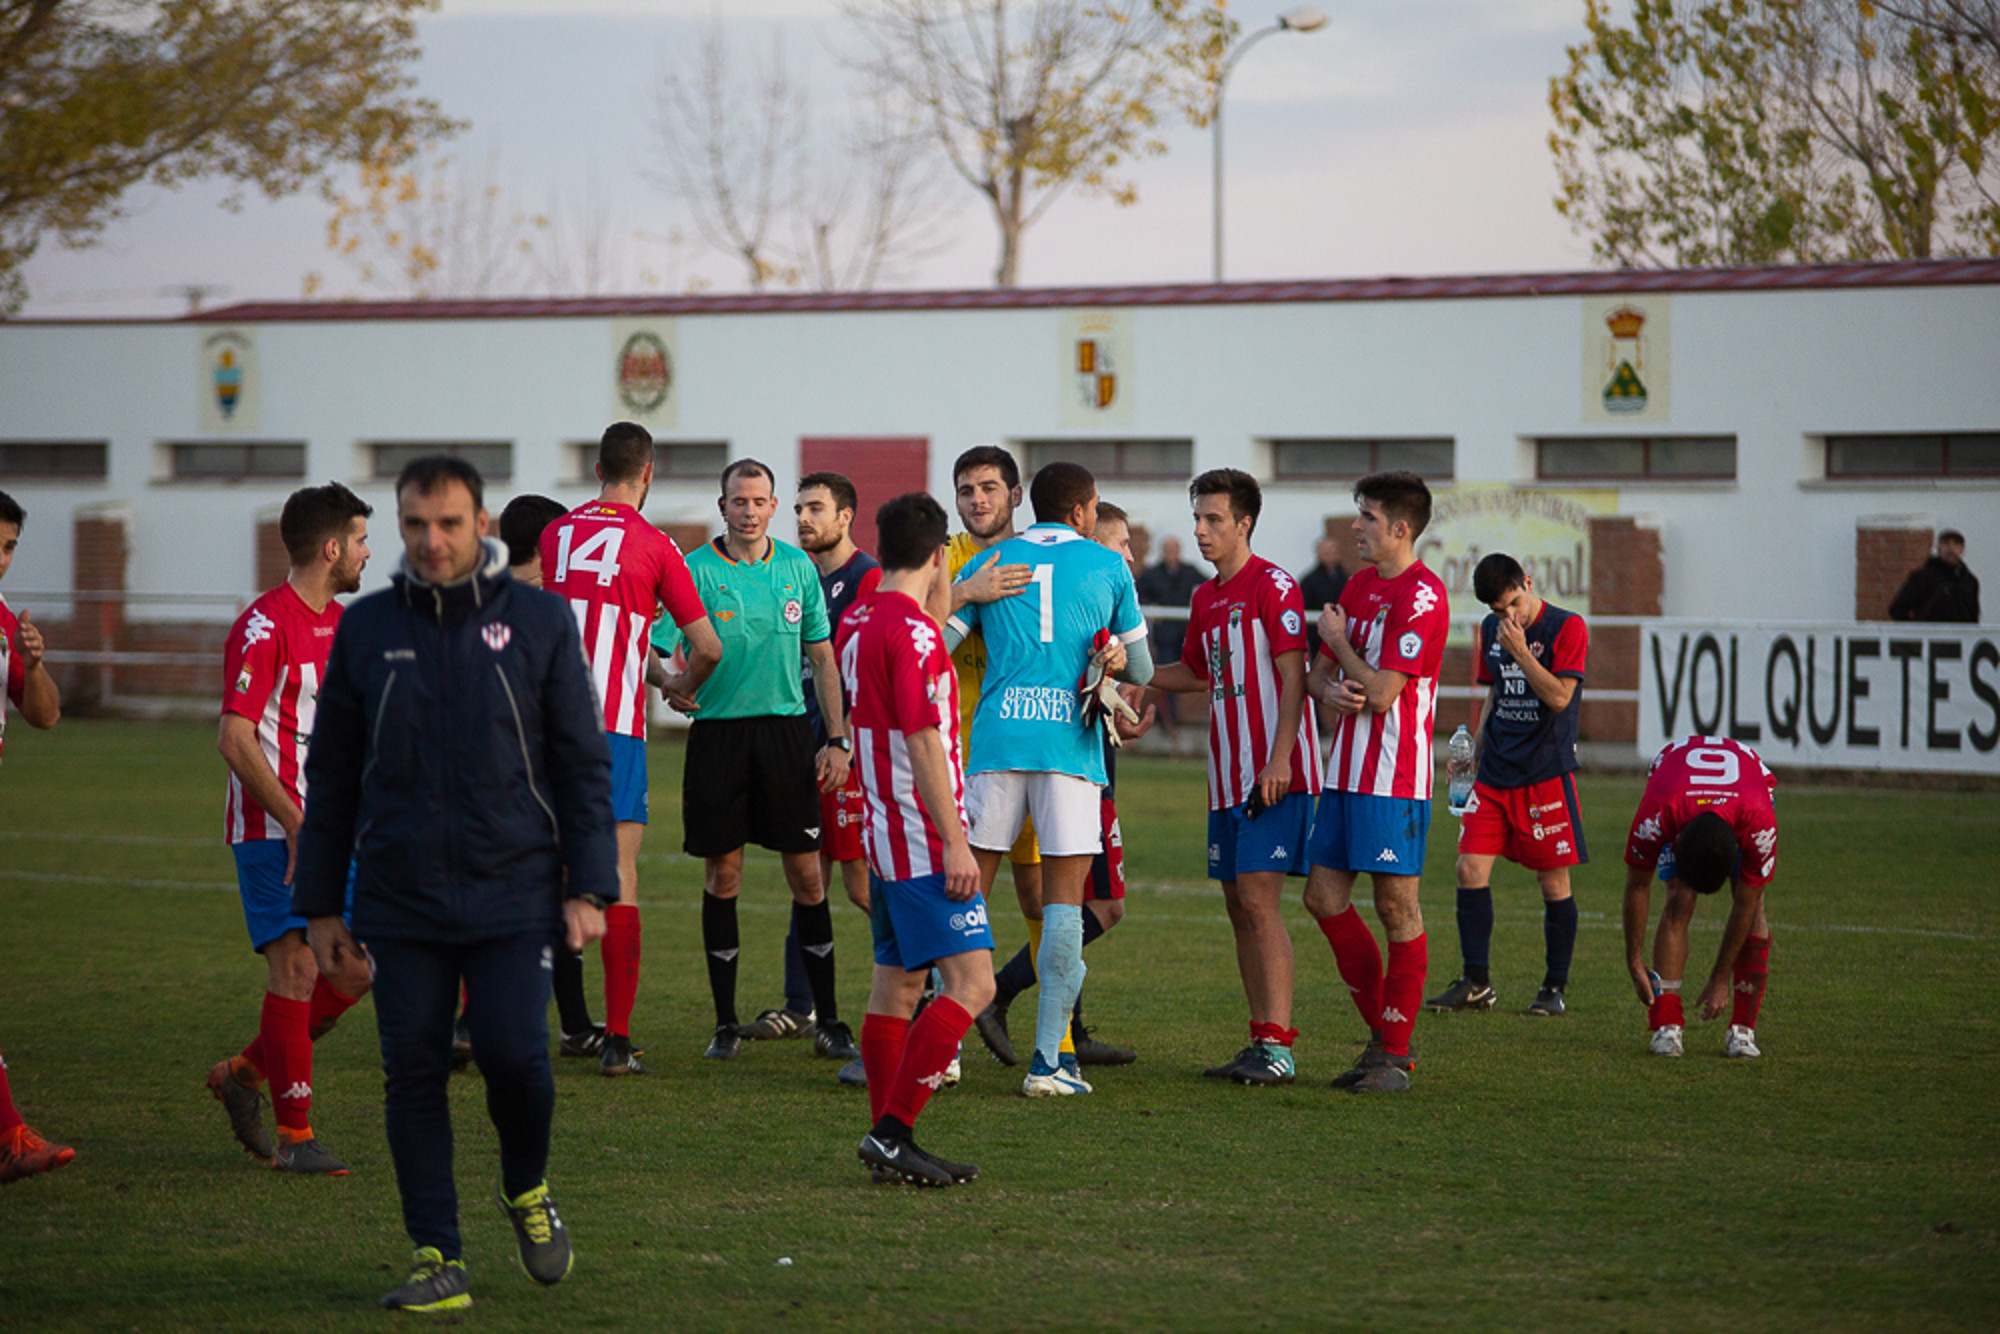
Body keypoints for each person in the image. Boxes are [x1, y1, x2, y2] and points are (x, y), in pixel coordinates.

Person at [294, 455, 617, 1311]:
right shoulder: (367, 632)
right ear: (401, 529)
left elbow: (584, 764)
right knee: (414, 1073)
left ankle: (526, 1187)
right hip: (401, 900)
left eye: (448, 523)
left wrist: (588, 886)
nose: (432, 541)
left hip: (516, 891)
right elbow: (330, 780)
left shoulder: (542, 622)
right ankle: (438, 1254)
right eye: (415, 526)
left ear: (482, 526)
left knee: (517, 1058)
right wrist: (321, 906)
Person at [945, 461, 1152, 1097]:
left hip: (998, 739)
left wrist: (966, 595)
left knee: (965, 889)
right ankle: (1049, 1064)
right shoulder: (1107, 564)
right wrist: (1112, 654)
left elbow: (933, 642)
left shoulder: (989, 561)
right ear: (1086, 509)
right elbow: (1139, 666)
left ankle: (942, 1047)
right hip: (1070, 745)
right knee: (1064, 903)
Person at [649, 458, 856, 1064]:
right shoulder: (693, 571)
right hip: (717, 737)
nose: (749, 510)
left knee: (808, 877)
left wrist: (837, 738)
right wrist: (669, 681)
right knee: (724, 875)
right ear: (724, 507)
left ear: (772, 508)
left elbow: (823, 660)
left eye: (760, 501)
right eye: (738, 501)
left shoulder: (797, 569)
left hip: (787, 737)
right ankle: (724, 1023)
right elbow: (653, 648)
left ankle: (830, 1020)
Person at [205, 482, 375, 1175]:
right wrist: (295, 819)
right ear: (332, 548)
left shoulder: (344, 624)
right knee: (299, 968)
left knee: (355, 970)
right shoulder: (265, 625)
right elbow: (234, 737)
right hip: (274, 828)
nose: (369, 553)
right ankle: (296, 1138)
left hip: (334, 827)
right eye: (362, 540)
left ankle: (244, 1073)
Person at [542, 424, 721, 1077]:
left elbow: (583, 635)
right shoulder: (655, 546)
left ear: (596, 468)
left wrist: (660, 676)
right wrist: (680, 688)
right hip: (613, 732)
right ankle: (617, 1042)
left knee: (527, 872)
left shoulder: (556, 535)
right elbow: (708, 648)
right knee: (619, 879)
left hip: (545, 731)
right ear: (648, 474)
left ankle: (477, 1023)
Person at [841, 491, 996, 1187]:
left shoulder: (860, 618)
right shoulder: (916, 634)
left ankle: (886, 1140)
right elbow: (925, 740)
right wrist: (956, 841)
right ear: (940, 557)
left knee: (898, 989)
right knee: (973, 984)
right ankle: (895, 1128)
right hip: (921, 837)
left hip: (881, 831)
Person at [1146, 471, 1321, 1085]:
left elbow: (1295, 676)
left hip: (1273, 773)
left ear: (1244, 524)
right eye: (1197, 518)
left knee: (1257, 899)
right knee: (1236, 904)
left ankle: (1279, 1047)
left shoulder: (1273, 586)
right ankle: (1260, 1039)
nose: (1200, 530)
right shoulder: (1203, 598)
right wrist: (1132, 676)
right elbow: (1196, 672)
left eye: (1213, 519)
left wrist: (1281, 759)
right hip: (1226, 777)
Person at [1301, 472, 1449, 1093]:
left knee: (1397, 908)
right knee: (1323, 898)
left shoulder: (1423, 597)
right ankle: (1386, 1038)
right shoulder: (1359, 585)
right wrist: (1328, 684)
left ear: (1400, 528)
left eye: (1365, 516)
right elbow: (1317, 679)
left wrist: (1337, 641)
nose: (1354, 526)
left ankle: (1394, 1052)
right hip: (1344, 776)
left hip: (1396, 780)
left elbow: (1386, 693)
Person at [741, 472, 881, 1070]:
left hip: (843, 747)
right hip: (797, 739)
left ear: (846, 516)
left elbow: (867, 662)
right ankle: (801, 1005)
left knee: (857, 884)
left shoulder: (867, 578)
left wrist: (841, 739)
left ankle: (925, 980)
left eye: (815, 508)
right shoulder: (795, 575)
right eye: (798, 508)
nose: (802, 519)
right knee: (807, 872)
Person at [1427, 553, 1589, 1018]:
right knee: (1468, 869)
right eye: (1499, 611)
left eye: (1514, 603)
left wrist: (1521, 651)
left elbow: (1560, 697)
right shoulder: (1489, 631)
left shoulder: (1567, 627)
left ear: (1529, 583)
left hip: (1544, 775)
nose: (1508, 617)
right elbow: (1495, 693)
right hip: (1495, 773)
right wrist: (1471, 754)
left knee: (1553, 881)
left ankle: (1553, 987)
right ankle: (1476, 982)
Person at [497, 493, 606, 1060]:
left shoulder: (478, 600)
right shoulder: (542, 609)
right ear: (548, 544)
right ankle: (475, 1022)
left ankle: (576, 1023)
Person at [1622, 735, 1778, 1060]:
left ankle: (1743, 1029)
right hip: (1677, 784)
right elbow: (1638, 885)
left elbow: (1745, 904)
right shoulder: (1659, 811)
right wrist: (1634, 960)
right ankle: (1667, 1024)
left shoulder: (1759, 821)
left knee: (1754, 904)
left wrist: (1720, 978)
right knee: (1679, 896)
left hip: (1750, 791)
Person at [0, 489, 71, 1187]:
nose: (1, 560)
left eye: (9, 548)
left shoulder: (2, 624)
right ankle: (9, 1135)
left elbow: (45, 716)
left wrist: (37, 661)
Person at [1135, 535, 1206, 742]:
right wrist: (1151, 607)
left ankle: (1174, 720)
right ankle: (1167, 720)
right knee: (1165, 676)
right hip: (1164, 635)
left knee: (1186, 673)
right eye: (1167, 550)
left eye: (1174, 549)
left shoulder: (1188, 571)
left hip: (1184, 635)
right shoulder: (1152, 574)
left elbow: (1211, 584)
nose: (1171, 554)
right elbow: (1136, 593)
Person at [1889, 529, 1980, 623]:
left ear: (1962, 550)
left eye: (1956, 544)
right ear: (1938, 548)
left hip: (1960, 636)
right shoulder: (1922, 577)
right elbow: (1898, 609)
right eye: (1946, 544)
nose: (1951, 549)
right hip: (1929, 636)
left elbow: (1973, 616)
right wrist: (1915, 631)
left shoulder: (1969, 581)